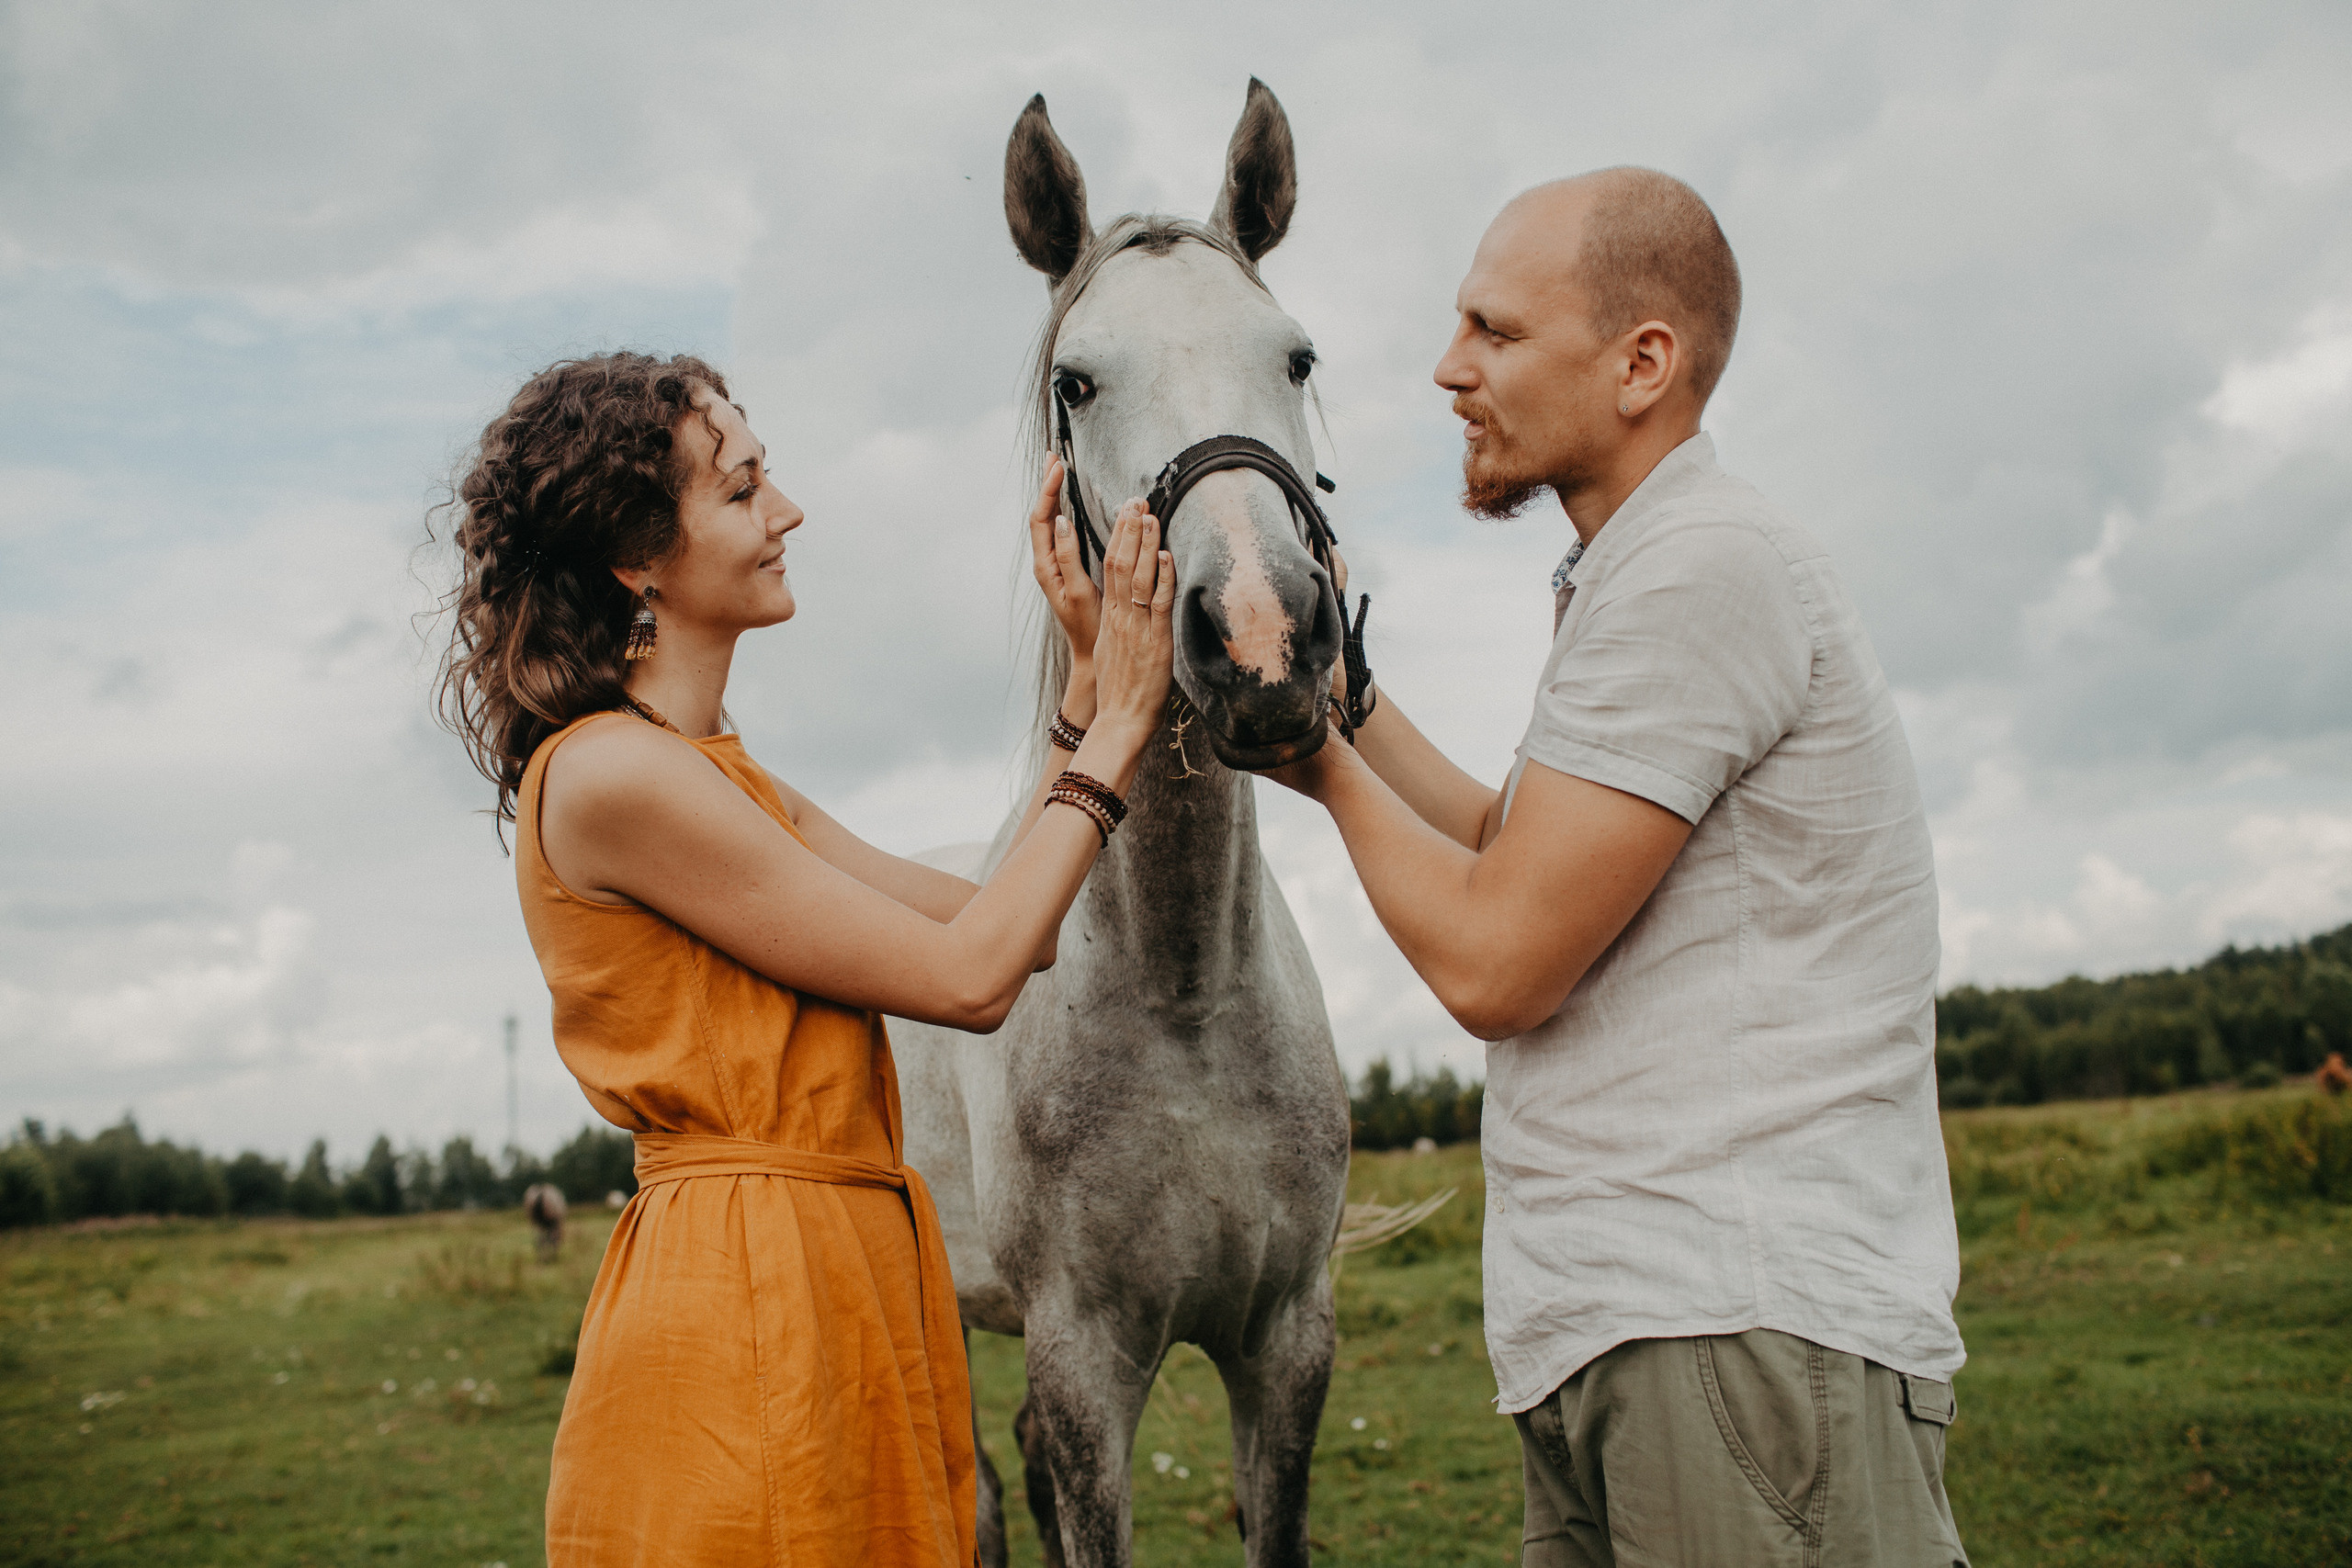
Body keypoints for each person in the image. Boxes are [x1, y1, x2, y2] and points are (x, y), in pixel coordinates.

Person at [1262, 171, 1970, 1563]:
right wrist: (1340, 702)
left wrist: (1318, 764)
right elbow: (1507, 852)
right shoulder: (1640, 573)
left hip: (1732, 1326)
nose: (1448, 368)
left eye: (1496, 330)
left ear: (1643, 364)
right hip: (1644, 1327)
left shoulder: (1702, 568)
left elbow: (1498, 961)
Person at [434, 352, 1170, 1566]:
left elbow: (1005, 926)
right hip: (745, 1291)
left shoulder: (723, 777)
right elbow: (970, 981)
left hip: (834, 1272)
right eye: (742, 489)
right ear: (633, 556)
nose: (788, 512)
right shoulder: (613, 776)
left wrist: (1086, 697)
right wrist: (1127, 727)